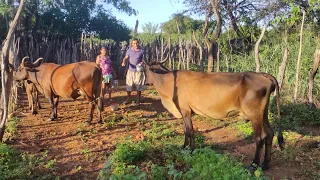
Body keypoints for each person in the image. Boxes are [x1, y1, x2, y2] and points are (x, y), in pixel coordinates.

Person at [121, 38, 146, 105]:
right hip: (131, 70)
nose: (136, 44)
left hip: (139, 71)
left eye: (136, 43)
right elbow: (126, 57)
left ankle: (138, 101)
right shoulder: (129, 50)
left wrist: (142, 63)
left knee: (139, 86)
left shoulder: (141, 51)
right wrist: (124, 62)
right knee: (129, 85)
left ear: (139, 43)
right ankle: (128, 98)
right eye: (134, 43)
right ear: (132, 44)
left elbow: (144, 60)